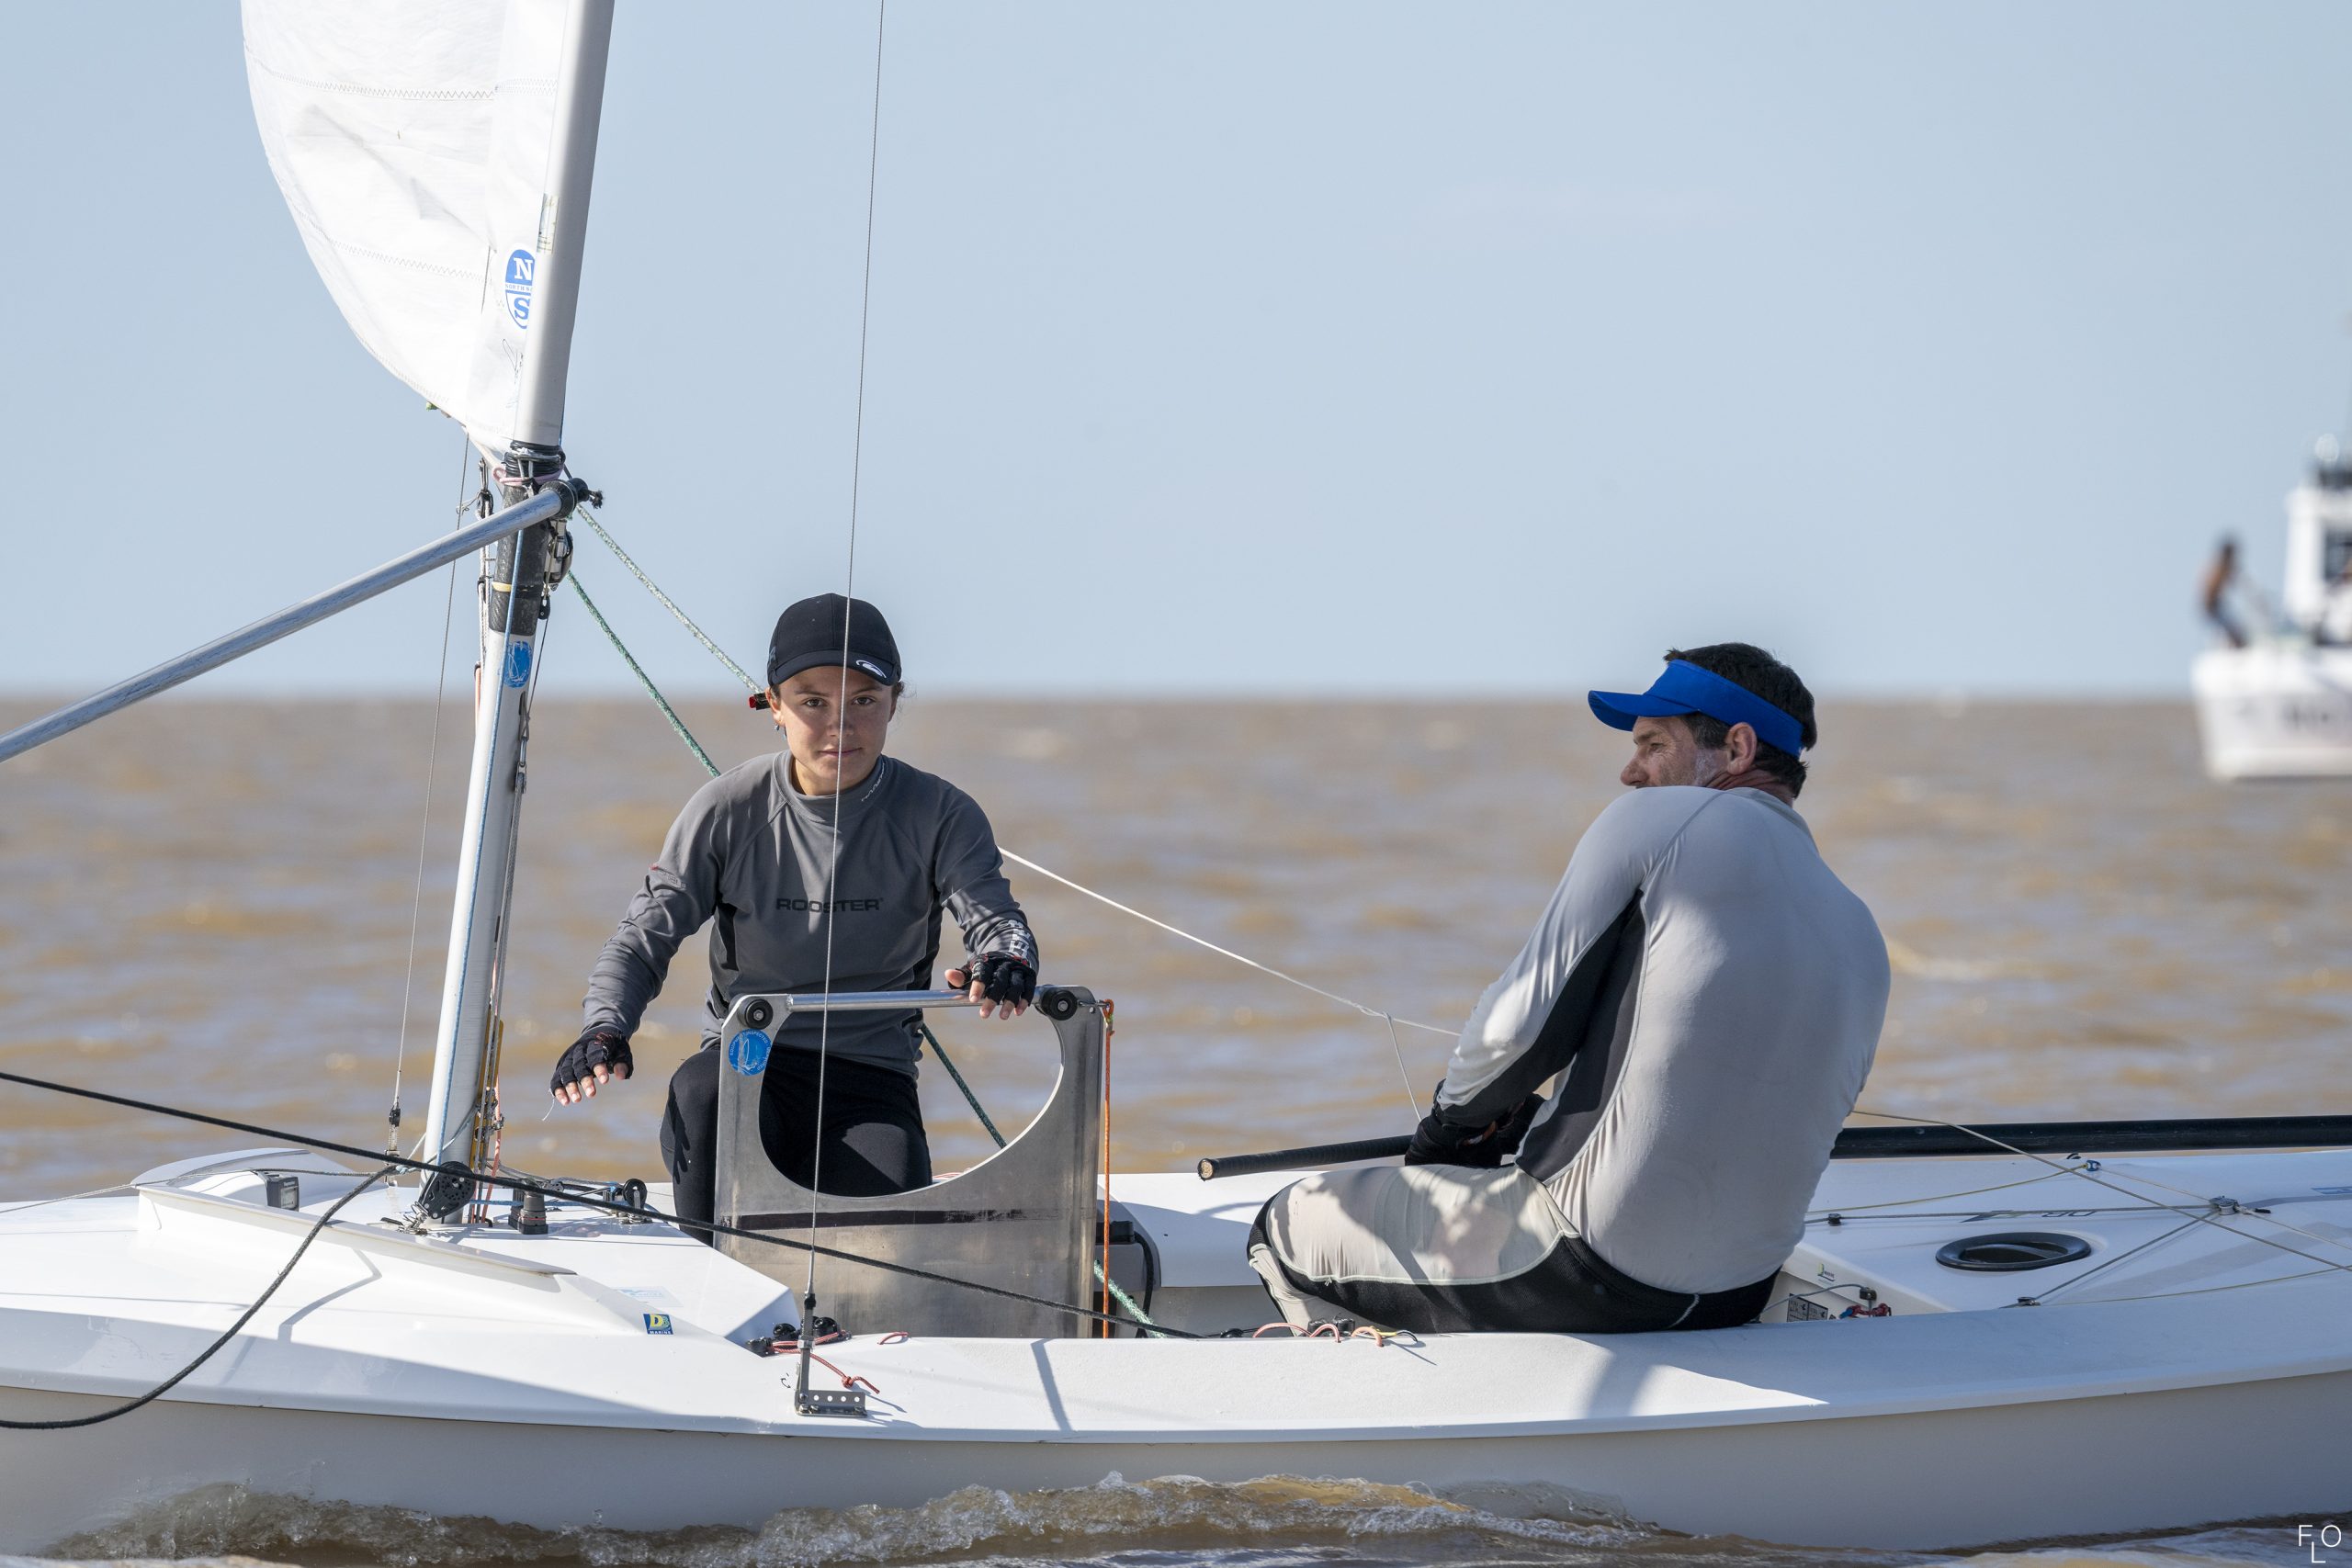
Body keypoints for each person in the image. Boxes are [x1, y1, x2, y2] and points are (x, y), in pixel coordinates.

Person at [1249, 643, 1889, 1334]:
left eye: (1653, 745)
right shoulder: (1860, 927)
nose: (1630, 772)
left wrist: (1445, 1135)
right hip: (1736, 1293)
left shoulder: (1660, 820)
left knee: (1283, 1226)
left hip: (1583, 1266)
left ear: (1736, 748)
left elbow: (1515, 1033)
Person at [550, 592, 1039, 1240]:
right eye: (813, 702)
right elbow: (642, 938)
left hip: (871, 1082)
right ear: (773, 705)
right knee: (700, 1093)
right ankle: (715, 1272)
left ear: (894, 702)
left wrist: (1006, 959)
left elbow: (997, 921)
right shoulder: (725, 810)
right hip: (748, 1063)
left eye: (864, 700)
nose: (841, 725)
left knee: (887, 1237)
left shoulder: (941, 814)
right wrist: (605, 1028)